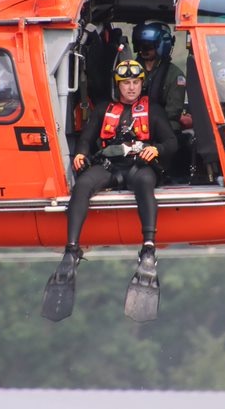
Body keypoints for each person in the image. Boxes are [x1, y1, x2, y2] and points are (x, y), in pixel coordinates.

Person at [42, 59, 177, 322]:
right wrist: (81, 153)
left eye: (136, 83)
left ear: (142, 84)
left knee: (145, 184)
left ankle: (148, 249)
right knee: (82, 186)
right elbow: (87, 137)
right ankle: (71, 251)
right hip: (110, 166)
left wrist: (157, 149)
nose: (131, 88)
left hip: (139, 167)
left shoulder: (153, 110)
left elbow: (172, 141)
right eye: (126, 83)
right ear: (118, 85)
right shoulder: (105, 109)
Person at [133, 22, 186, 133]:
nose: (144, 49)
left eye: (149, 46)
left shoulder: (175, 74)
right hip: (132, 121)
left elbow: (173, 111)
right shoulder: (129, 69)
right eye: (141, 45)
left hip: (163, 125)